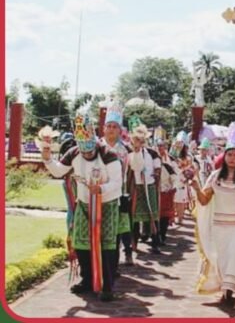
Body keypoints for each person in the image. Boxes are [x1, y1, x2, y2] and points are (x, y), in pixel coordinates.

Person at [40, 112, 122, 302]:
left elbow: (117, 182)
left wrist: (100, 188)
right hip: (84, 205)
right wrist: (47, 159)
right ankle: (87, 280)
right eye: (83, 151)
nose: (86, 154)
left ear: (94, 143)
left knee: (107, 244)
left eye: (89, 151)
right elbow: (59, 171)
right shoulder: (74, 152)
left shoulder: (109, 155)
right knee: (81, 243)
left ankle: (107, 286)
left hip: (107, 205)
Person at [191, 121, 235, 310]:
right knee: (222, 260)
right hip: (218, 226)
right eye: (229, 154)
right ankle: (225, 291)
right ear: (224, 156)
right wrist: (197, 188)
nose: (231, 158)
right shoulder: (214, 177)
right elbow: (205, 201)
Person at [100, 101, 134, 267]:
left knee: (120, 228)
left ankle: (118, 260)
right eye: (109, 126)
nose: (112, 129)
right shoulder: (97, 147)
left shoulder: (125, 150)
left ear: (120, 131)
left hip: (119, 193)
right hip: (98, 193)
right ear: (104, 129)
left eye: (115, 126)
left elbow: (129, 171)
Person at [126, 120, 162, 255]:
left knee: (153, 214)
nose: (139, 142)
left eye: (142, 140)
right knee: (134, 216)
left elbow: (158, 166)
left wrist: (157, 173)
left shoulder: (152, 153)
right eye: (137, 139)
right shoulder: (129, 153)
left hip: (150, 186)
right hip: (136, 187)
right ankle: (133, 243)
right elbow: (133, 167)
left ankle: (155, 242)